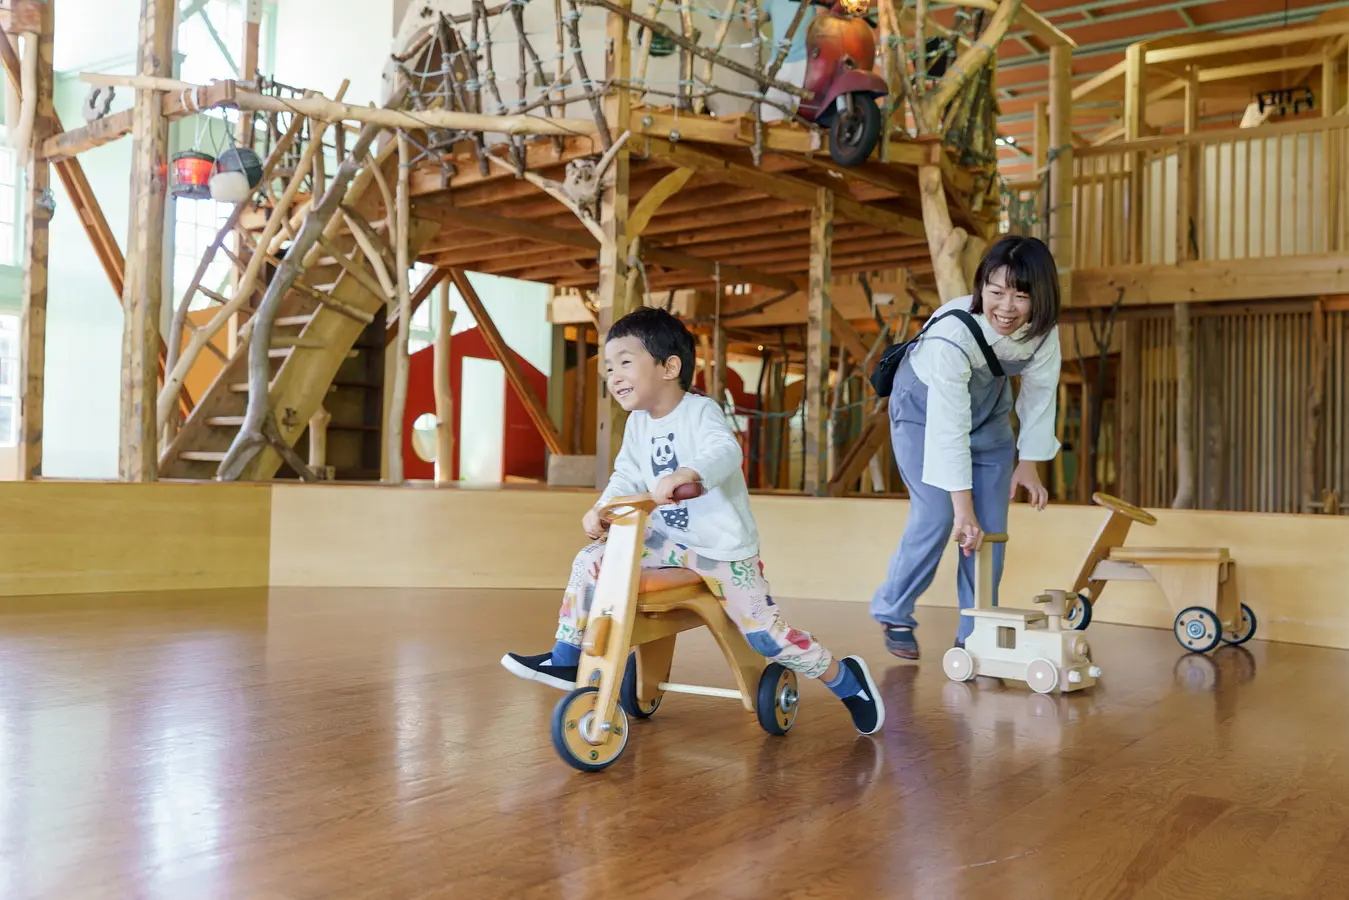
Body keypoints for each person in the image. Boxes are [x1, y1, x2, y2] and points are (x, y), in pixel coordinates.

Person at [503, 306, 884, 735]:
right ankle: (566, 657)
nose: (614, 376)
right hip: (668, 540)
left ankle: (847, 681)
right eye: (609, 367)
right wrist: (603, 509)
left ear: (669, 367)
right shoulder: (636, 424)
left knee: (765, 637)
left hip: (722, 550)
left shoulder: (699, 412)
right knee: (591, 559)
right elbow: (626, 474)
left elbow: (724, 451)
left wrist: (689, 475)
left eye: (625, 362)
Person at [871, 234, 1063, 660]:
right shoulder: (952, 335)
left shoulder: (1044, 334)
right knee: (940, 515)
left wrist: (1028, 463)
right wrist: (962, 507)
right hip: (925, 413)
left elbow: (1040, 394)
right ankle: (893, 608)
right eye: (995, 292)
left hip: (990, 413)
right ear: (981, 289)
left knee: (990, 531)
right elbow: (948, 427)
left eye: (1020, 295)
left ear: (1042, 296)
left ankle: (975, 631)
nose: (1006, 308)